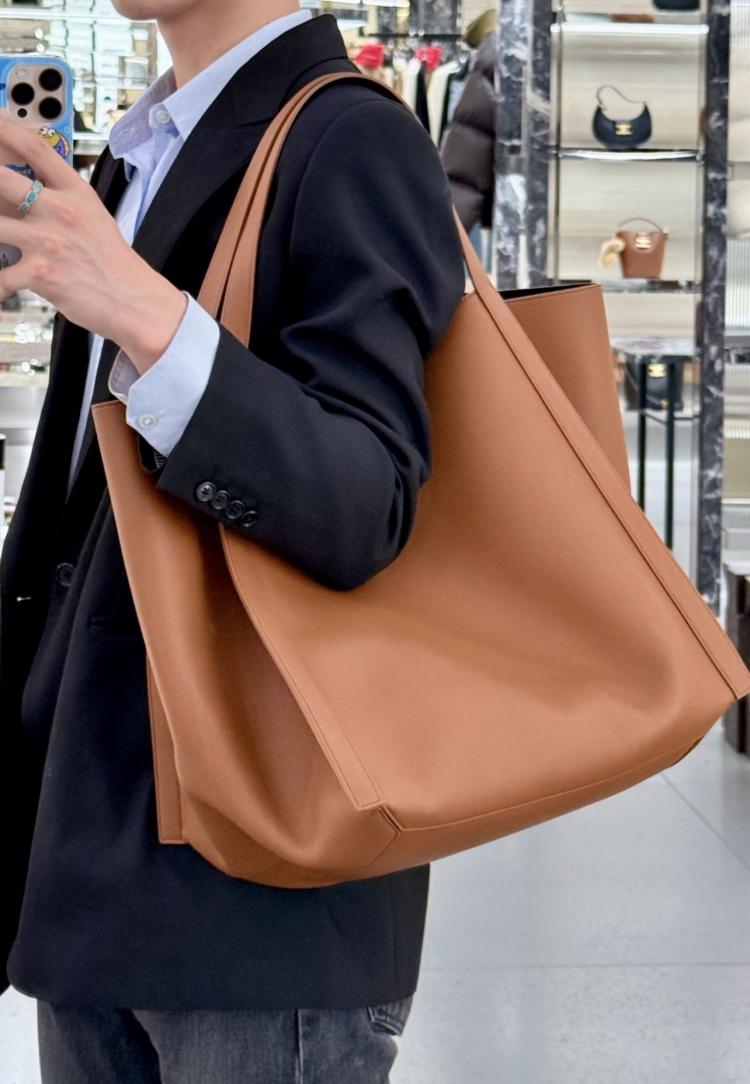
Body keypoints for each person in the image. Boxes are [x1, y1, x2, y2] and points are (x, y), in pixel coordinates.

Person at [0, 1, 464, 1080]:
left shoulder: (351, 138)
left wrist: (144, 314)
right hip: (93, 843)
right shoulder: (135, 155)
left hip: (260, 884)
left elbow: (363, 504)